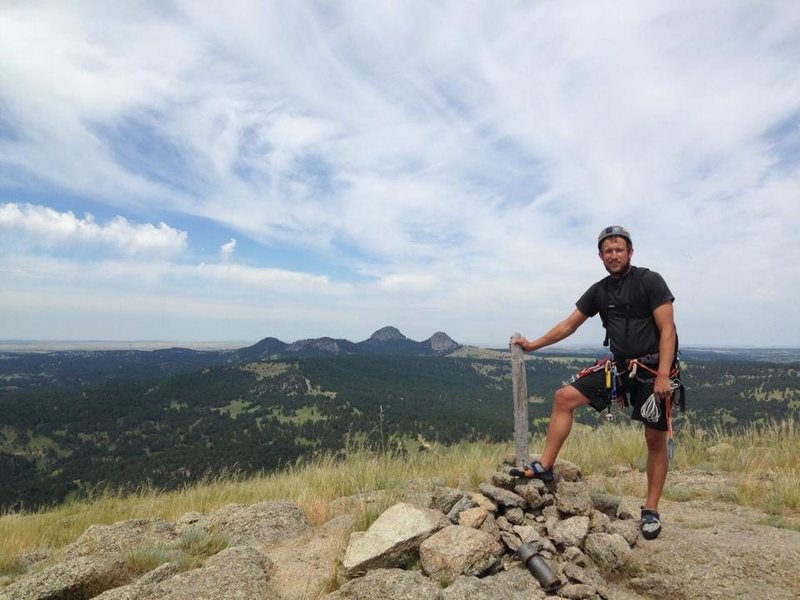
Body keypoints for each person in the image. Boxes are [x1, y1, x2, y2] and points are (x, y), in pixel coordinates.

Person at [511, 225, 679, 540]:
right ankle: (546, 465)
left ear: (630, 251)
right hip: (618, 368)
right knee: (564, 397)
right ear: (600, 256)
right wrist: (533, 345)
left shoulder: (650, 281)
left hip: (652, 368)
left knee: (655, 440)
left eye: (619, 249)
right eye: (608, 250)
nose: (614, 255)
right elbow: (568, 325)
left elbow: (667, 330)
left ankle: (651, 510)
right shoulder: (599, 291)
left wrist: (662, 375)